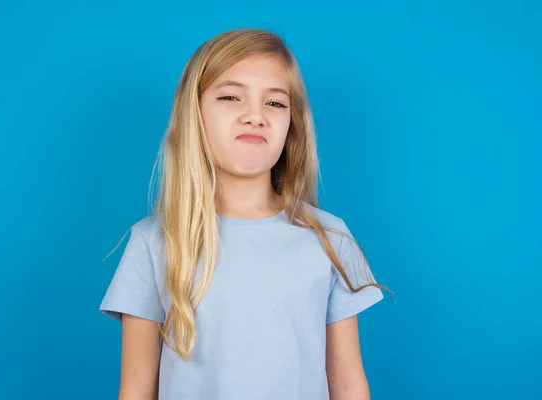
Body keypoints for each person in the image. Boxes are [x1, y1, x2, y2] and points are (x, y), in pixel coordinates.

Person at [99, 28, 391, 400]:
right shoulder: (154, 241)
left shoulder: (330, 237)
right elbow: (137, 390)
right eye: (231, 97)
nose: (255, 116)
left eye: (274, 103)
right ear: (196, 114)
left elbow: (349, 385)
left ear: (292, 125)